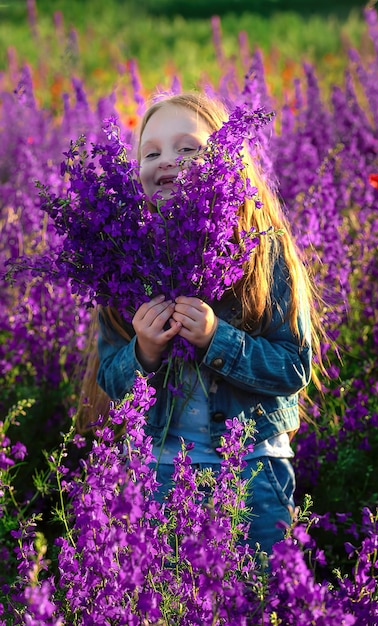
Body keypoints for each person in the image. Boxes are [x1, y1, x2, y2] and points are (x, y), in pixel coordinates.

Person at [78, 91, 324, 556]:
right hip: (160, 469)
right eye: (151, 153)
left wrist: (218, 339)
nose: (167, 160)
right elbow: (109, 377)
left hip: (252, 468)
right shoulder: (123, 264)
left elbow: (294, 367)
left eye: (187, 148)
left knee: (260, 597)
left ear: (229, 164)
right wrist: (143, 353)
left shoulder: (261, 254)